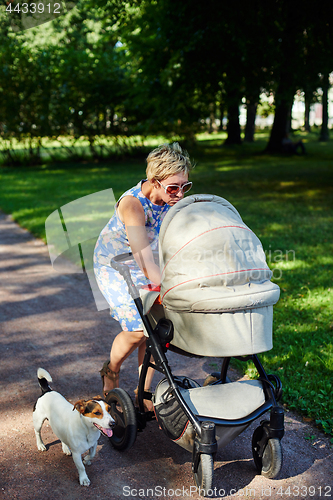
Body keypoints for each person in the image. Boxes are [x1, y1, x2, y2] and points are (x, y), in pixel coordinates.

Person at [93, 143, 193, 407]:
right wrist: (165, 286)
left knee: (153, 331)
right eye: (174, 187)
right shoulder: (133, 204)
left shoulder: (173, 200)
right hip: (115, 265)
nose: (180, 194)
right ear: (154, 182)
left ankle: (143, 394)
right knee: (139, 329)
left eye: (186, 186)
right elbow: (141, 256)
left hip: (149, 260)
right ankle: (111, 369)